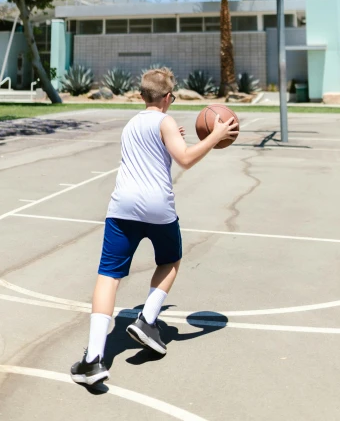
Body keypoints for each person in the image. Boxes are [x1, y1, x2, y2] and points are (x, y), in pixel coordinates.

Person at [71, 67, 239, 385]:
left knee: (108, 277)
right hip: (157, 207)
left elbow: (155, 150)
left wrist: (171, 138)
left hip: (122, 207)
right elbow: (186, 159)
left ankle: (93, 360)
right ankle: (147, 319)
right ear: (166, 97)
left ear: (141, 95)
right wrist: (215, 136)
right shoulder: (165, 121)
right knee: (170, 261)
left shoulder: (133, 123)